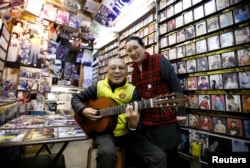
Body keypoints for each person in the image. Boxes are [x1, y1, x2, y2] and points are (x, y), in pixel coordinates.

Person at [71, 58, 166, 168]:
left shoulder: (133, 90)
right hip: (104, 133)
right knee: (107, 153)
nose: (117, 71)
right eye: (113, 68)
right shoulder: (99, 86)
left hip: (126, 134)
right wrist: (83, 110)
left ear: (126, 71)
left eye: (121, 68)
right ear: (107, 70)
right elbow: (76, 99)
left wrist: (133, 125)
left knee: (159, 157)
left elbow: (135, 125)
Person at [125, 36, 187, 168]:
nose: (133, 52)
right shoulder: (134, 72)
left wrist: (181, 111)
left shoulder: (159, 60)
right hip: (146, 126)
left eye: (135, 47)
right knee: (154, 160)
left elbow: (176, 86)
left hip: (166, 124)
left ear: (143, 47)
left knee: (170, 159)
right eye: (129, 51)